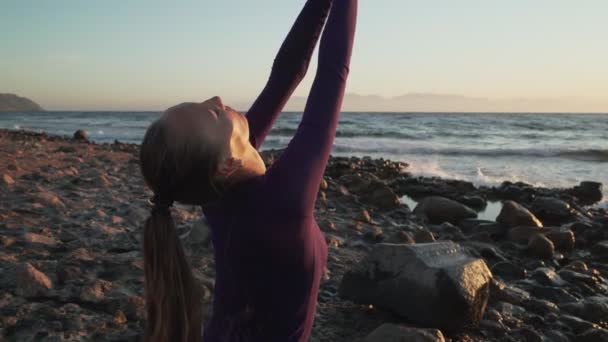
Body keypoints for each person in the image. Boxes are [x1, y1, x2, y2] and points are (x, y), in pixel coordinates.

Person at [139, 0, 357, 340]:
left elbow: (288, 72)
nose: (216, 98)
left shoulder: (214, 183)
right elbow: (332, 73)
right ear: (226, 164)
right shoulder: (282, 205)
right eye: (212, 114)